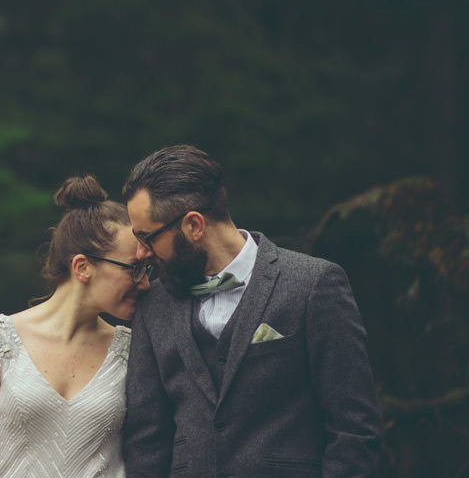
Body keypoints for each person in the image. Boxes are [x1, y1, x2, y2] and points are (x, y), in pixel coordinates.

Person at [120, 144, 382, 478]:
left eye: (148, 237)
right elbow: (146, 443)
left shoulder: (313, 284)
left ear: (194, 226)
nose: (141, 253)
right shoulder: (152, 306)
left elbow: (354, 429)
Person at [0, 176, 152, 478]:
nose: (145, 283)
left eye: (147, 270)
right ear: (83, 267)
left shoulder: (134, 351)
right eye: (134, 269)